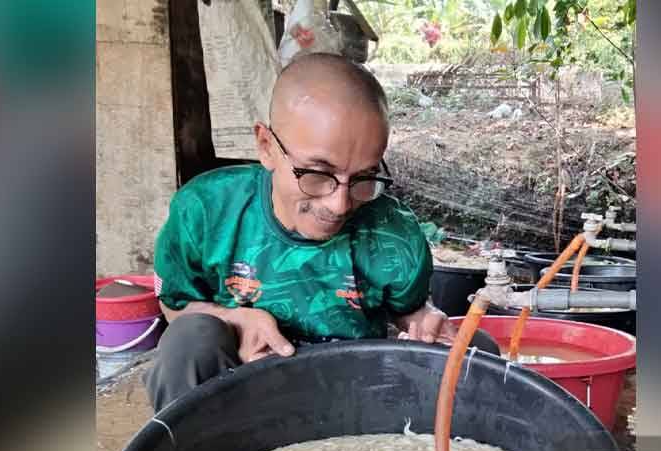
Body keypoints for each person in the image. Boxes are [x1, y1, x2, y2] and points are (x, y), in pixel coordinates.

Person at [146, 53, 498, 411]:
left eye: (363, 178)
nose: (339, 204)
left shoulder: (394, 230)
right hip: (244, 389)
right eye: (317, 174)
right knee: (189, 341)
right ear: (266, 146)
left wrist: (425, 321)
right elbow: (175, 306)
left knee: (477, 352)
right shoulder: (206, 211)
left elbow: (410, 311)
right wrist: (233, 319)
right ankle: (194, 446)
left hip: (358, 392)